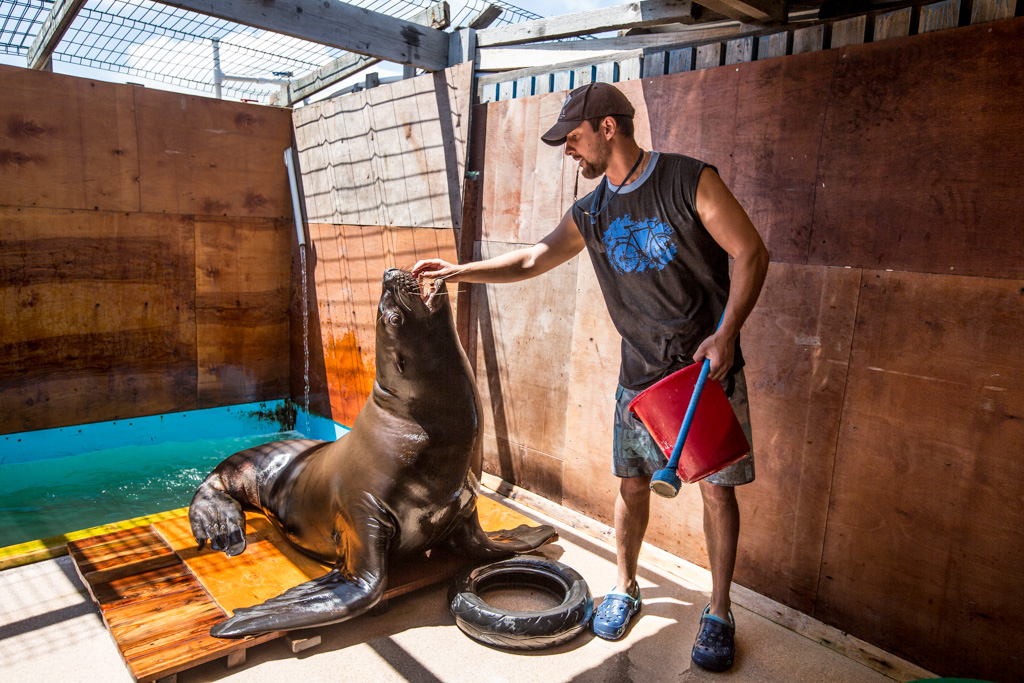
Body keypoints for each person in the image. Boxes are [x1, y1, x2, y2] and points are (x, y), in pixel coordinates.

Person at [412, 82, 769, 672]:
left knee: (716, 491)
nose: (568, 152)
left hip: (704, 375)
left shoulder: (688, 180)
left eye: (573, 139)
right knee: (630, 488)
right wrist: (459, 271)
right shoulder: (593, 211)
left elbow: (750, 251)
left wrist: (727, 334)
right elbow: (531, 258)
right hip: (639, 381)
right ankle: (625, 587)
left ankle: (719, 610)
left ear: (609, 128)